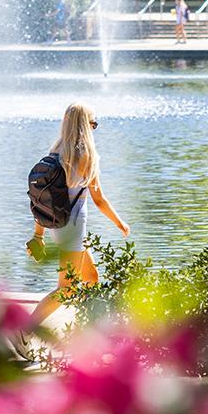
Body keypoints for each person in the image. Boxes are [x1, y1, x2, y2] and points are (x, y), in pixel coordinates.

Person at [24, 103, 131, 340]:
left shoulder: (55, 153)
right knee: (67, 288)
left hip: (59, 228)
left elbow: (42, 200)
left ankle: (89, 334)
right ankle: (24, 332)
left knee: (91, 278)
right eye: (93, 124)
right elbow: (99, 200)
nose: (94, 129)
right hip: (72, 229)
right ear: (85, 126)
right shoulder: (86, 157)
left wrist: (38, 235)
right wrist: (120, 223)